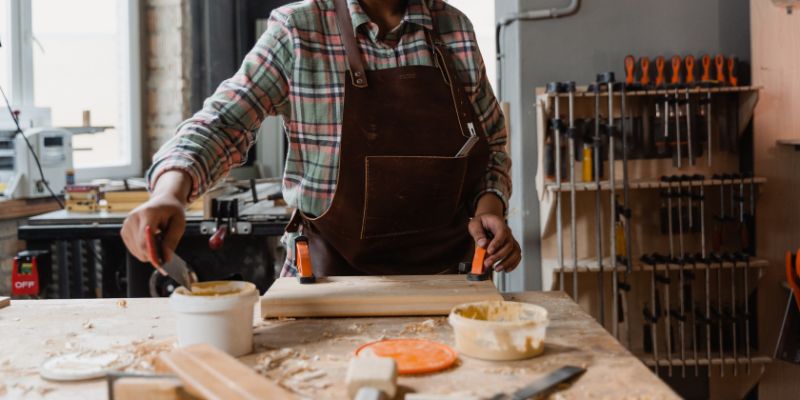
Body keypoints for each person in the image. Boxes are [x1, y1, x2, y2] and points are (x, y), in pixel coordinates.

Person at [121, 0, 520, 278]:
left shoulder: (454, 29)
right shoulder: (298, 31)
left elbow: (491, 145)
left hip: (446, 281)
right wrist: (169, 195)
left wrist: (490, 206)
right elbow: (221, 123)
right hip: (328, 282)